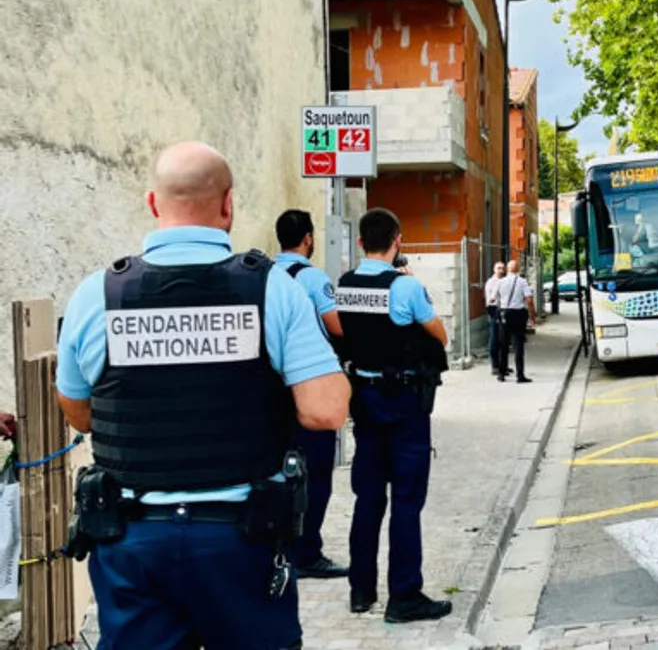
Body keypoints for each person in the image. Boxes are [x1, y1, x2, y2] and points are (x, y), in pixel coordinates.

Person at [55, 142, 350, 650]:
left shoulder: (97, 294)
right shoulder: (272, 290)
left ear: (153, 203)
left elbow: (79, 412)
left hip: (134, 541)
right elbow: (326, 411)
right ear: (229, 203)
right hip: (240, 541)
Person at [334, 208, 453, 621]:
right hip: (403, 403)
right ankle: (404, 596)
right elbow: (438, 332)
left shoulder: (344, 286)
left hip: (363, 400)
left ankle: (360, 590)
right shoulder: (405, 288)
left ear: (361, 242)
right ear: (398, 241)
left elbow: (344, 333)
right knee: (406, 499)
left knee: (367, 497)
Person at [274, 209, 348, 580]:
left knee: (280, 471)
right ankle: (308, 551)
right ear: (308, 239)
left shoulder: (265, 275)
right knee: (316, 470)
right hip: (311, 386)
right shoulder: (313, 277)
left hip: (274, 389)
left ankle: (282, 549)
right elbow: (336, 326)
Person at [497, 260, 536, 384]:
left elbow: (493, 298)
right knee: (518, 344)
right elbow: (529, 300)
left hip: (504, 313)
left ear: (508, 269)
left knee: (503, 344)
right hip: (518, 314)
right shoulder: (522, 282)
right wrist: (532, 314)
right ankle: (520, 375)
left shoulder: (500, 282)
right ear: (518, 269)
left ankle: (501, 374)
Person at [484, 261, 507, 376]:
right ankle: (495, 366)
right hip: (494, 309)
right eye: (499, 268)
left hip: (503, 309)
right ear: (494, 270)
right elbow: (491, 299)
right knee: (494, 338)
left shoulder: (504, 281)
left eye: (503, 268)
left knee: (503, 339)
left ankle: (503, 365)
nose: (501, 270)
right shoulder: (491, 282)